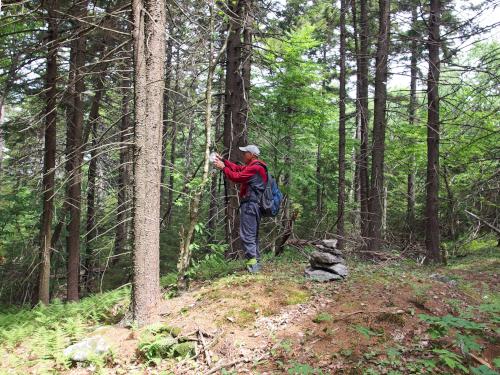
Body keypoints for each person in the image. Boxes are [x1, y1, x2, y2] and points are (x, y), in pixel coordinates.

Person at [213, 145, 267, 273]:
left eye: (245, 153)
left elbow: (237, 177)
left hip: (250, 205)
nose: (243, 155)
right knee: (252, 234)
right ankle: (256, 263)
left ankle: (253, 267)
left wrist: (223, 168)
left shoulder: (255, 168)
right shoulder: (256, 166)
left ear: (252, 154)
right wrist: (224, 161)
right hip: (255, 205)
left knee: (247, 234)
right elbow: (238, 168)